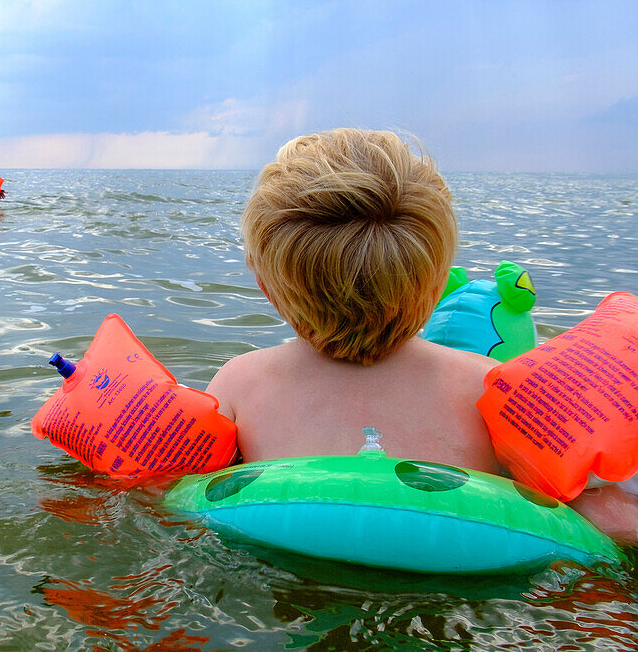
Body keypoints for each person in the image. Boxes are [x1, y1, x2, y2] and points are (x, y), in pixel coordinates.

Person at [205, 128, 638, 543]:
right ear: (437, 286)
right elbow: (599, 512)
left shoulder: (242, 382)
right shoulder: (496, 388)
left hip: (289, 567)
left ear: (266, 287)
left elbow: (175, 493)